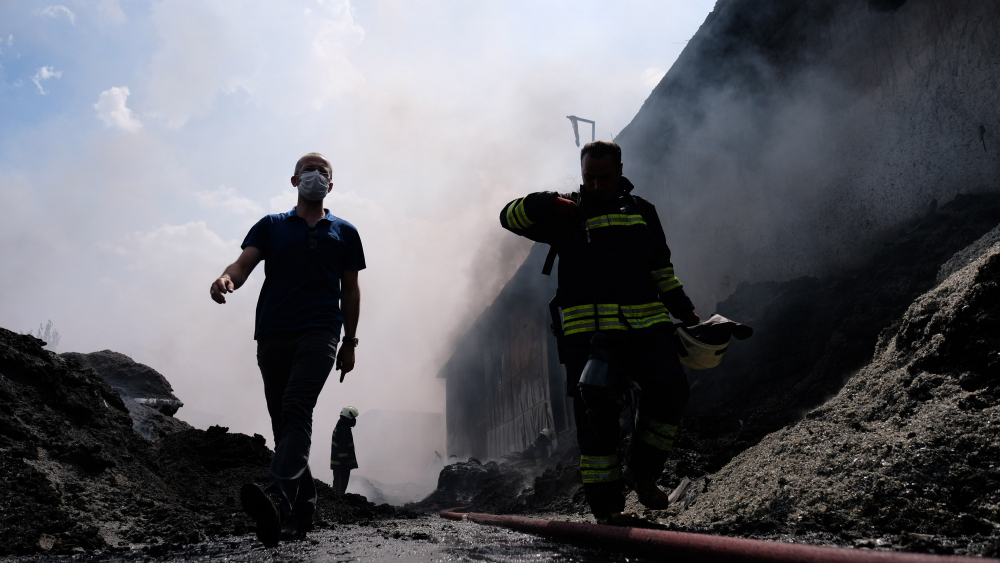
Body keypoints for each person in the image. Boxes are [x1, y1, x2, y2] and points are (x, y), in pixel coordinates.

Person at [498, 141, 698, 524]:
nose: (596, 185)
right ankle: (609, 511)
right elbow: (509, 217)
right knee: (596, 423)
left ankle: (643, 471)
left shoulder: (643, 212)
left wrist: (688, 314)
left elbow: (661, 272)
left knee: (671, 390)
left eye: (604, 177)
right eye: (588, 177)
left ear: (620, 170)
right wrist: (545, 202)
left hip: (647, 328)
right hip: (588, 339)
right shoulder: (567, 212)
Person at [209, 152, 365, 546]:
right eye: (307, 171)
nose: (314, 177)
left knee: (297, 408)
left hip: (320, 333)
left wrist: (350, 342)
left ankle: (277, 501)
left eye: (322, 173)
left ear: (331, 185)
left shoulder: (345, 232)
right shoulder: (271, 226)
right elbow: (244, 265)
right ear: (294, 181)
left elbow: (350, 289)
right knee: (285, 427)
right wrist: (226, 279)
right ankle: (304, 506)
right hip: (274, 333)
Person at [330, 406, 359, 494]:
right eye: (354, 418)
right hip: (342, 465)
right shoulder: (345, 430)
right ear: (349, 417)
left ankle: (336, 501)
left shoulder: (339, 427)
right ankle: (337, 504)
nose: (354, 420)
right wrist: (343, 464)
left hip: (338, 463)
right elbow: (343, 449)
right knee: (340, 488)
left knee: (337, 485)